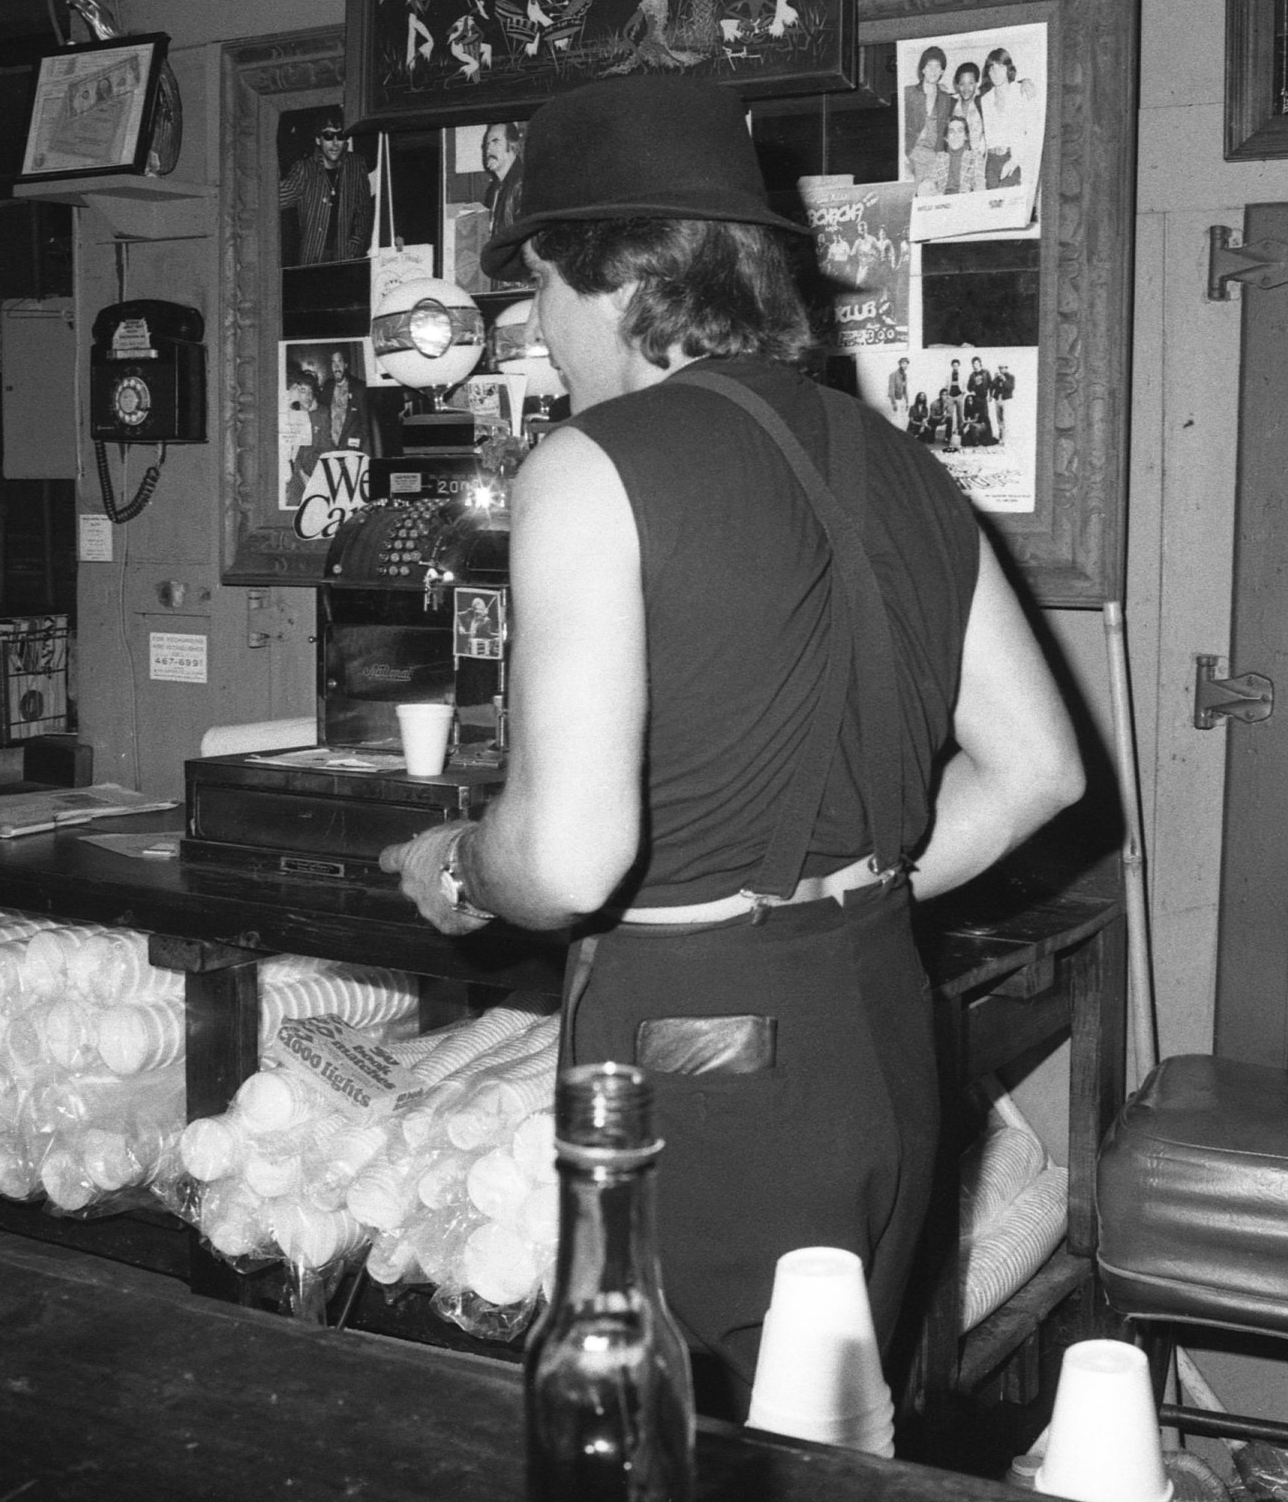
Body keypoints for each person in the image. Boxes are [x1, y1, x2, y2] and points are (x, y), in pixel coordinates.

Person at [376, 76, 1082, 1417]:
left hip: (699, 1051)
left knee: (670, 1434)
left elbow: (572, 860)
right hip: (881, 1026)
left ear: (614, 275)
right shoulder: (905, 465)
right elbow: (1039, 770)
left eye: (539, 296)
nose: (537, 338)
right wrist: (839, 903)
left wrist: (463, 869)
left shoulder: (592, 466)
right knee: (823, 1436)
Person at [278, 117, 374, 266]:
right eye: (328, 136)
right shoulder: (304, 169)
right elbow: (278, 198)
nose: (335, 143)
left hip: (347, 256)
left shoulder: (357, 164)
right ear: (318, 140)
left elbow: (364, 210)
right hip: (313, 256)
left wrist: (356, 242)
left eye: (340, 136)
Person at [976, 46, 1039, 190]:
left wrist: (1014, 161)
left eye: (1000, 67)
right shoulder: (985, 99)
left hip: (1014, 158)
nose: (995, 72)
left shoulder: (1020, 91)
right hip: (992, 161)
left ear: (1008, 69)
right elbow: (987, 137)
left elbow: (1032, 131)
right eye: (991, 68)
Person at [481, 121, 527, 288]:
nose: (488, 150)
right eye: (486, 144)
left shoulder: (523, 185)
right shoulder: (494, 189)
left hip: (517, 285)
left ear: (512, 146)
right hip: (501, 281)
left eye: (495, 141)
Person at [902, 45, 954, 185]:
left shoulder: (946, 98)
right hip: (910, 153)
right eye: (929, 66)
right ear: (923, 69)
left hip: (932, 156)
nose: (933, 71)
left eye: (937, 67)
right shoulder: (908, 93)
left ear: (942, 71)